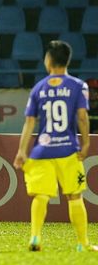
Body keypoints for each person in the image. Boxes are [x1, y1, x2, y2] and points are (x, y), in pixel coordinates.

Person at [13, 40, 97, 252]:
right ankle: (83, 243)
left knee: (41, 195)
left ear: (48, 60)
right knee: (75, 196)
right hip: (68, 151)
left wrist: (22, 151)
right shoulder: (78, 86)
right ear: (67, 60)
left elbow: (29, 122)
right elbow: (82, 117)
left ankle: (35, 238)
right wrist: (86, 143)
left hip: (42, 151)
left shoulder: (39, 88)